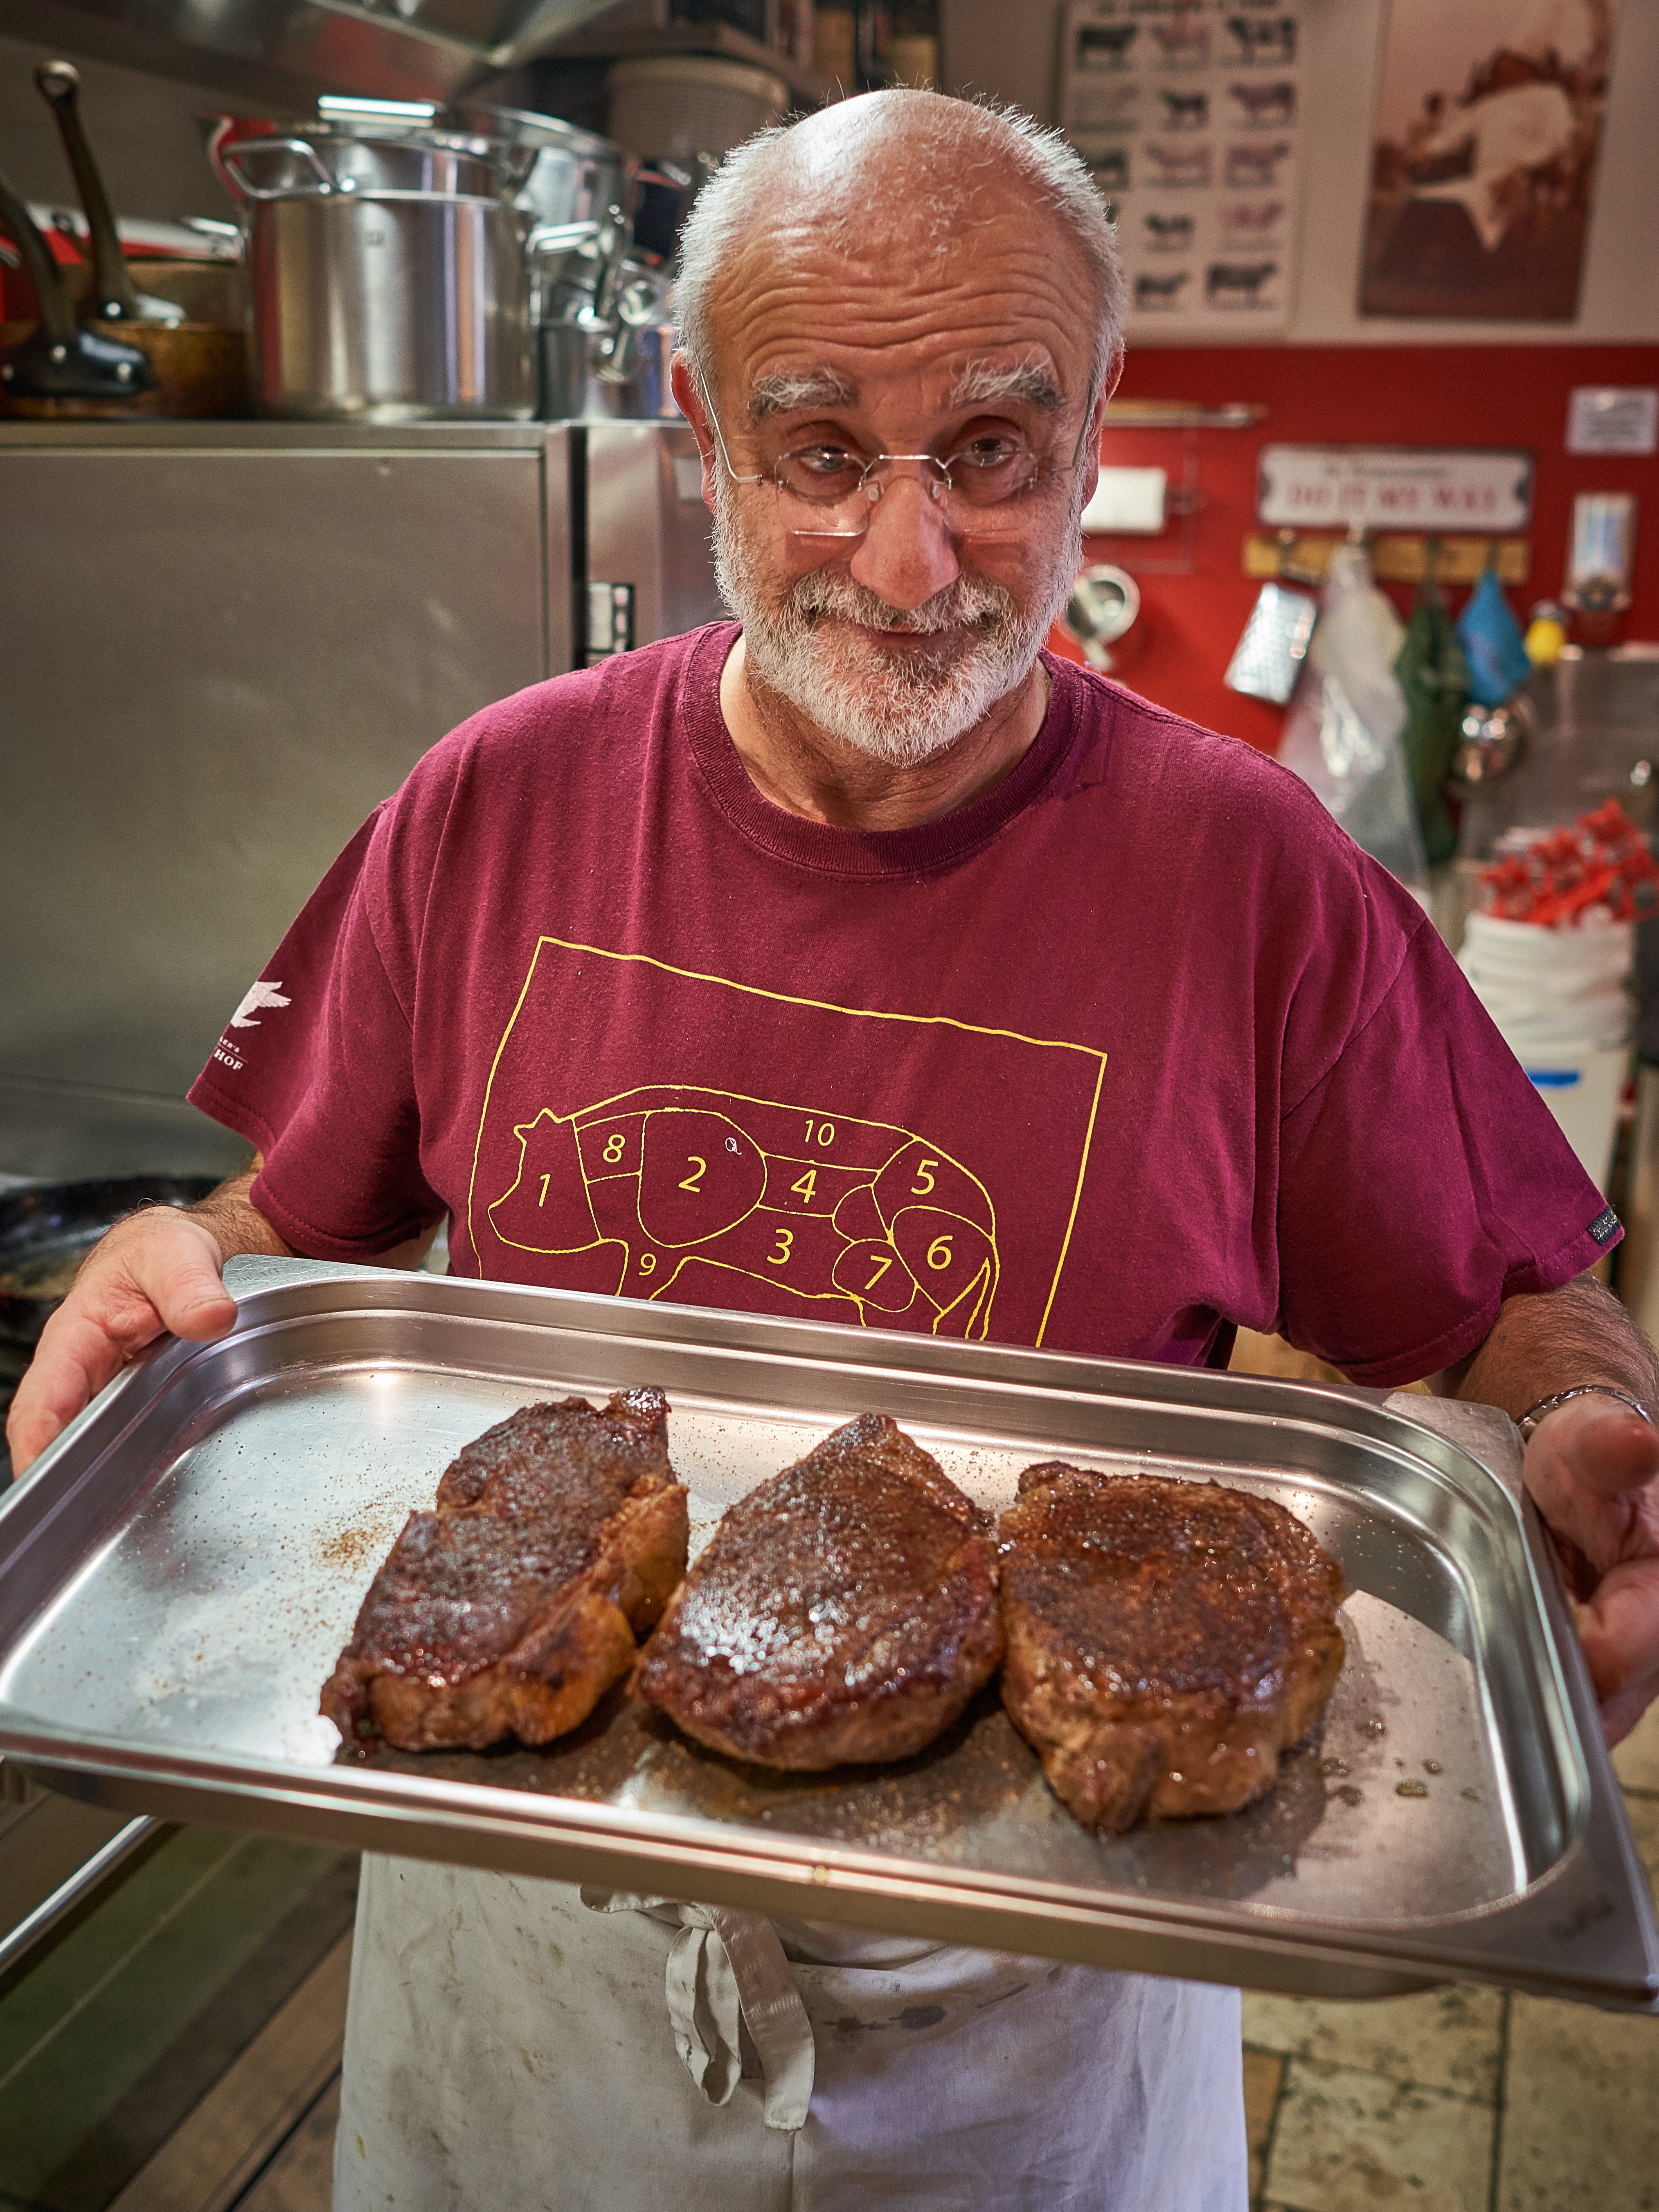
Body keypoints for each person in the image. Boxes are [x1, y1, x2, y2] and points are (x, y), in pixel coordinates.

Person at [10, 89, 1659, 2211]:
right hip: (529, 1949)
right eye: (817, 448)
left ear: (1089, 426)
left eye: (991, 447)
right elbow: (286, 1235)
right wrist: (171, 1252)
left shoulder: (1247, 883)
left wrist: (1594, 1430)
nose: (910, 561)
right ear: (696, 427)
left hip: (1044, 1969)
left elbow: (1519, 1314)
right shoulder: (493, 805)